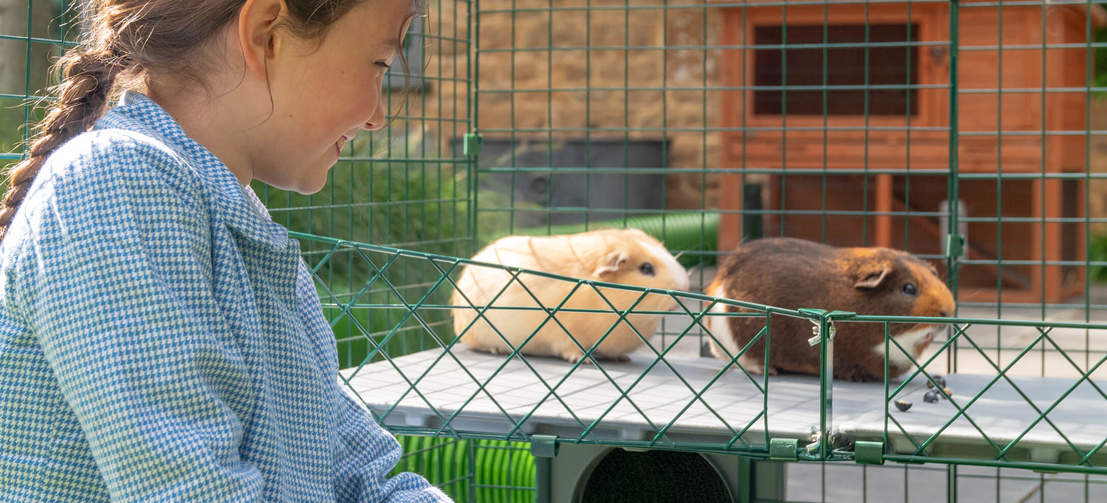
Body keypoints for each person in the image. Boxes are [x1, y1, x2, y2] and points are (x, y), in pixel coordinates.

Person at [0, 0, 452, 501]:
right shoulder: (115, 184)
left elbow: (360, 480)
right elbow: (193, 489)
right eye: (379, 66)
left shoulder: (239, 225)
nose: (377, 116)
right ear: (266, 34)